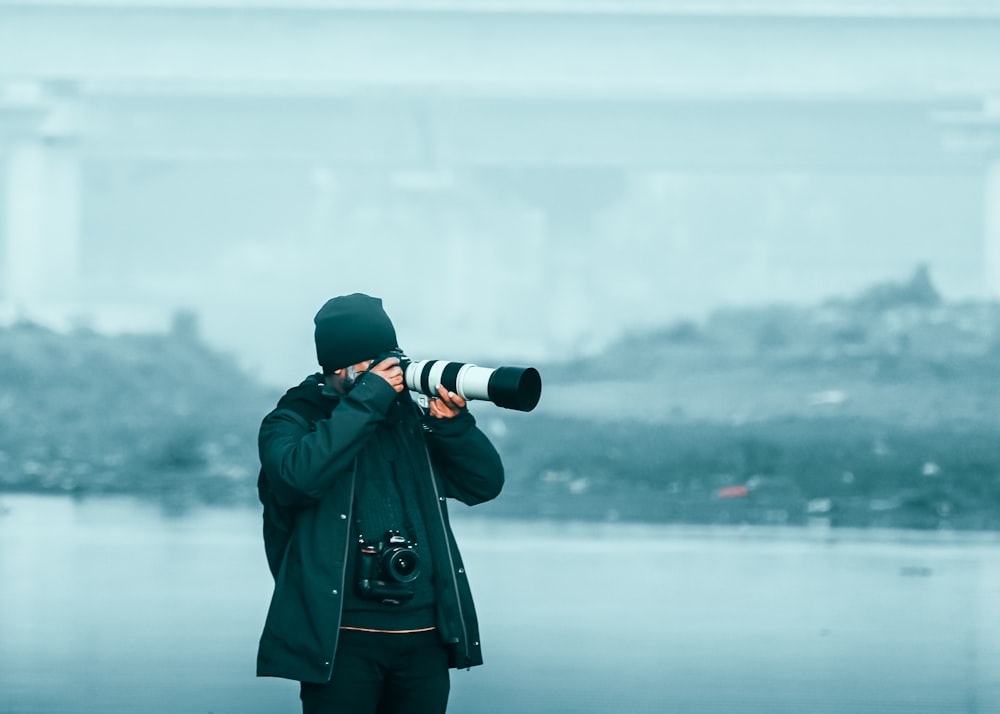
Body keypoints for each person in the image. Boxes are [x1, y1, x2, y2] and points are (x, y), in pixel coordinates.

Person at [255, 292, 505, 714]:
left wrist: (454, 427)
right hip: (340, 638)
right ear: (341, 369)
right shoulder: (292, 420)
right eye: (378, 364)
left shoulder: (407, 417)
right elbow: (299, 478)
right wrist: (368, 398)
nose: (391, 375)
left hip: (425, 635)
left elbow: (484, 484)